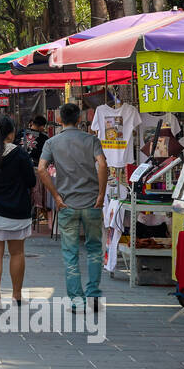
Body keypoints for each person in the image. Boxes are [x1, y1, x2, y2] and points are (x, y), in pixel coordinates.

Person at [37, 103, 108, 309]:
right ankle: (93, 294)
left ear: (59, 120)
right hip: (92, 202)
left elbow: (42, 169)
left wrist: (56, 196)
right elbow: (102, 164)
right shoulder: (91, 140)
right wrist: (101, 194)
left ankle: (77, 300)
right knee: (94, 249)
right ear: (79, 119)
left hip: (66, 203)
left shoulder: (52, 142)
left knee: (70, 254)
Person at [0, 116, 37, 310]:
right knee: (17, 253)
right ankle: (16, 295)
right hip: (16, 212)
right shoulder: (19, 154)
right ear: (11, 133)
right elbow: (31, 181)